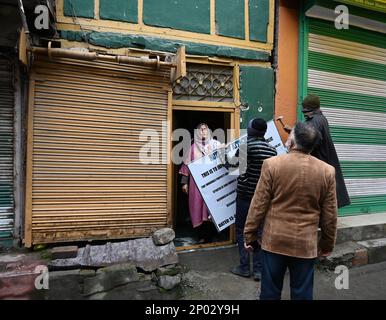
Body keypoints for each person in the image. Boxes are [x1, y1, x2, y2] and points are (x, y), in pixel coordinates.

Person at [244, 122, 338, 300]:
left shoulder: (272, 165)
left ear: (292, 142)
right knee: (302, 294)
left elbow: (258, 205)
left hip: (274, 242)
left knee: (270, 293)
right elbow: (330, 215)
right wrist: (327, 245)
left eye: (290, 135)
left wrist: (250, 235)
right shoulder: (327, 171)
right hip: (305, 245)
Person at [229, 118, 277, 281]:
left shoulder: (245, 147)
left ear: (250, 131)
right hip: (263, 198)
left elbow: (232, 168)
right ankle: (258, 270)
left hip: (245, 197)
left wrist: (224, 152)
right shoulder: (272, 151)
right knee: (259, 232)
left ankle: (244, 267)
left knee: (242, 230)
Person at [284, 94, 350, 208]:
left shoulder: (315, 121)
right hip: (324, 162)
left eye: (305, 111)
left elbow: (311, 140)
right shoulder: (321, 118)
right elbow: (311, 134)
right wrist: (294, 131)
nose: (304, 114)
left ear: (310, 110)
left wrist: (295, 137)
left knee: (320, 199)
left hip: (319, 163)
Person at [179, 123, 223, 243]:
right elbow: (186, 165)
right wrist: (184, 183)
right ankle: (201, 236)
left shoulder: (216, 145)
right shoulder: (193, 147)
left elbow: (224, 159)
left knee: (212, 208)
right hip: (196, 184)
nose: (203, 131)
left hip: (213, 181)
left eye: (205, 129)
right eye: (200, 129)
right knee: (197, 207)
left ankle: (213, 235)